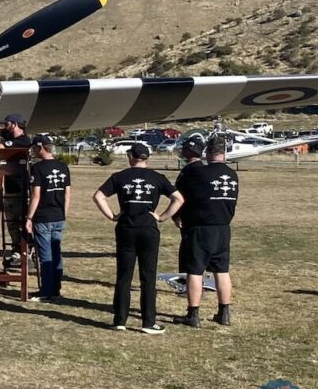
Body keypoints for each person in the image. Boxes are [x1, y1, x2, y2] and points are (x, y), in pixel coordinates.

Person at [93, 143, 184, 334]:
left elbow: (98, 196)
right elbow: (178, 199)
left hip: (126, 228)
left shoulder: (120, 176)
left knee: (123, 276)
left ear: (130, 157)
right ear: (147, 158)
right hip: (148, 229)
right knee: (148, 277)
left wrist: (112, 216)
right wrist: (162, 217)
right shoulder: (157, 178)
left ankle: (119, 320)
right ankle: (148, 322)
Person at [173, 133, 239, 327]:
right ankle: (224, 312)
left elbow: (185, 197)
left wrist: (179, 216)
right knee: (222, 270)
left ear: (208, 152)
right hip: (223, 228)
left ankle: (193, 314)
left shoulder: (200, 173)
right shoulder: (233, 175)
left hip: (201, 228)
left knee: (194, 271)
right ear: (225, 153)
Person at [23, 135, 70, 301]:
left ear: (41, 147)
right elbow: (67, 194)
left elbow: (35, 195)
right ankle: (56, 289)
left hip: (43, 216)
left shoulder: (38, 168)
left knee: (45, 256)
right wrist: (63, 214)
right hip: (59, 215)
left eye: (35, 148)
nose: (34, 151)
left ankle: (46, 291)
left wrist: (29, 218)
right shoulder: (63, 167)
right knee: (56, 254)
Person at [0, 114, 33, 268]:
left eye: (7, 124)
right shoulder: (10, 135)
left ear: (15, 124)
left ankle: (27, 251)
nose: (5, 127)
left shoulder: (23, 141)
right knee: (11, 222)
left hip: (20, 189)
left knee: (20, 222)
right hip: (10, 188)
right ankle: (17, 251)